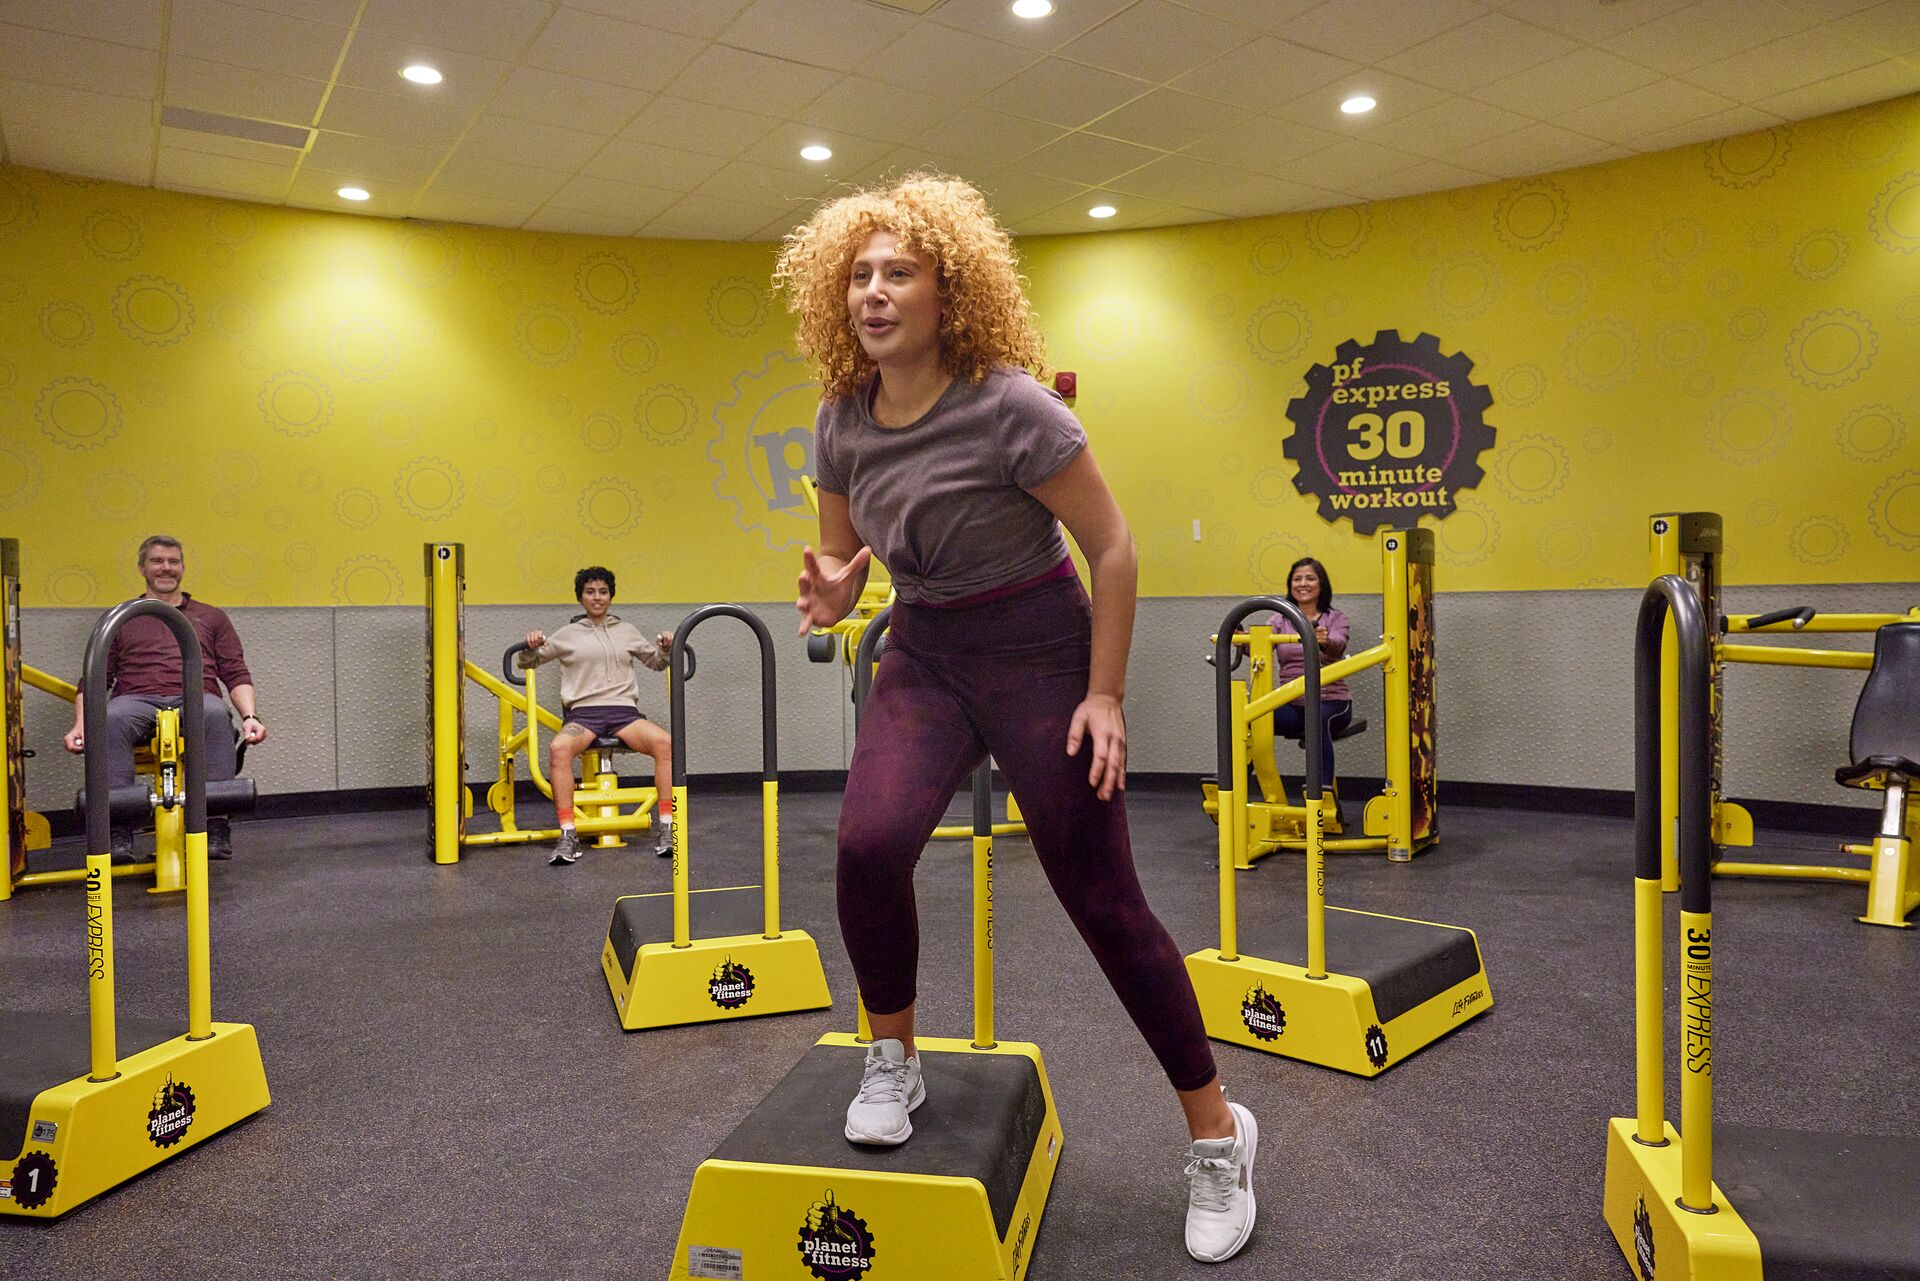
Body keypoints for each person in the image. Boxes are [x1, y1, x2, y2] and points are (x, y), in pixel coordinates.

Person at [778, 173, 1258, 1264]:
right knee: (866, 844)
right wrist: (842, 592)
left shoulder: (1012, 407)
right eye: (859, 275)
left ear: (951, 292)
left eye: (900, 272)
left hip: (1040, 645)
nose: (873, 292)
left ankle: (1217, 1132)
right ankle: (892, 1059)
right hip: (925, 648)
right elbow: (845, 558)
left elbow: (1113, 546)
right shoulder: (841, 420)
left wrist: (1104, 693)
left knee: (1101, 896)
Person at [62, 535, 265, 861]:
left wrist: (250, 717)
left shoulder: (212, 617)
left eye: (173, 561)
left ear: (182, 567)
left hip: (195, 698)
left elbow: (235, 672)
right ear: (142, 568)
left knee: (215, 715)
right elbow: (95, 679)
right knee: (110, 718)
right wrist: (79, 725)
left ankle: (215, 826)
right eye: (157, 561)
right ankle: (118, 830)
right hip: (136, 700)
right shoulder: (120, 617)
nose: (166, 568)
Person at [517, 566, 675, 866]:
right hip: (584, 715)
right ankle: (568, 833)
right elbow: (528, 662)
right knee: (558, 749)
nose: (597, 597)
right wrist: (530, 646)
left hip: (624, 713)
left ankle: (668, 828)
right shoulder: (568, 635)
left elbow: (656, 663)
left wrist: (665, 648)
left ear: (611, 596)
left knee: (665, 743)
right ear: (581, 597)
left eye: (603, 591)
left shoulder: (626, 631)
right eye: (590, 592)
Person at [1265, 557, 1353, 819]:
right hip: (1293, 703)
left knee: (1317, 719)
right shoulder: (1279, 620)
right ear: (1290, 584)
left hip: (1332, 702)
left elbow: (1338, 645)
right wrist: (1241, 639)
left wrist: (1325, 641)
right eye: (1297, 579)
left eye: (1310, 578)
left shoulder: (1336, 618)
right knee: (1252, 720)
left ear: (1321, 584)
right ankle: (1230, 788)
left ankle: (1322, 797)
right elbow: (1257, 646)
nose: (1303, 583)